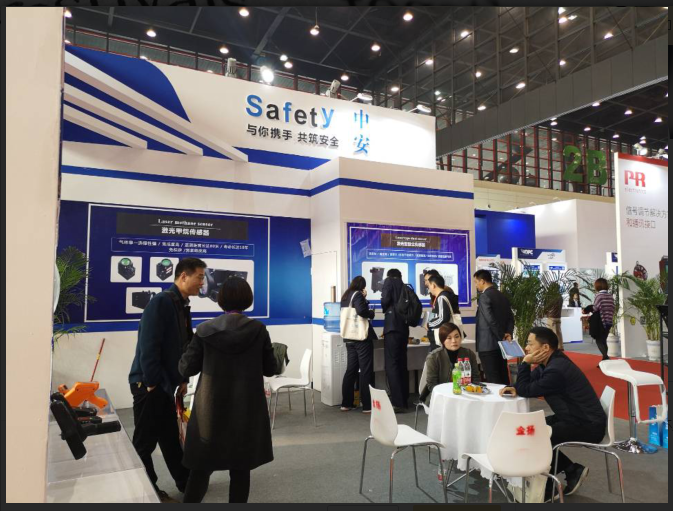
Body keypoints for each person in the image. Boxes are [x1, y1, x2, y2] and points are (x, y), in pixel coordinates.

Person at [179, 276, 276, 503]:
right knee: (241, 469)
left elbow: (186, 367)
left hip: (210, 410)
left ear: (220, 299)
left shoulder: (204, 330)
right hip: (246, 410)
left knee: (200, 468)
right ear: (247, 299)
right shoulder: (258, 330)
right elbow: (270, 369)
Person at [128, 257, 206, 503]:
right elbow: (148, 346)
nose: (202, 282)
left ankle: (186, 483)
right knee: (144, 443)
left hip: (165, 385)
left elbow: (182, 346)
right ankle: (148, 489)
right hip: (149, 384)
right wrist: (152, 383)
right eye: (199, 277)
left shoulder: (181, 304)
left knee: (170, 438)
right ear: (183, 276)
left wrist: (181, 379)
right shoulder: (161, 302)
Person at [500, 327, 606, 501]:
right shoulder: (550, 362)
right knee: (530, 430)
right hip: (574, 417)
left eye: (530, 344)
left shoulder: (556, 370)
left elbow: (526, 390)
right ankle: (572, 470)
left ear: (545, 348)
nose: (526, 348)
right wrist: (514, 387)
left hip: (588, 425)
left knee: (536, 435)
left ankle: (549, 488)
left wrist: (525, 363)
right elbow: (524, 385)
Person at [339, 276, 376, 413]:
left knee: (351, 370)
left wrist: (364, 298)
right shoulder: (358, 295)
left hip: (349, 337)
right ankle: (367, 405)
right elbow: (361, 311)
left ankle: (346, 403)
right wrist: (371, 313)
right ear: (362, 286)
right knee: (366, 371)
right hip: (361, 339)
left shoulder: (345, 296)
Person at [420, 323, 480, 405]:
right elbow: (432, 385)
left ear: (461, 337)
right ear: (443, 340)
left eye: (457, 336)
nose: (454, 341)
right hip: (441, 397)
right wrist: (450, 395)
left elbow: (476, 378)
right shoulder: (434, 357)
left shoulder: (469, 354)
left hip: (466, 396)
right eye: (449, 338)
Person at [473, 269, 514, 384]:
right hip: (502, 345)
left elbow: (490, 320)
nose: (476, 285)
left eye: (476, 282)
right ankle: (507, 395)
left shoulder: (484, 296)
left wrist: (501, 335)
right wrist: (508, 333)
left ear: (482, 281)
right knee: (503, 376)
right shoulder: (502, 296)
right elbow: (511, 318)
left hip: (488, 345)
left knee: (493, 379)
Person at [381, 268, 410, 412]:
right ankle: (404, 399)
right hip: (403, 328)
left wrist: (384, 306)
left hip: (392, 327)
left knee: (391, 364)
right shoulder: (405, 286)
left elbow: (385, 300)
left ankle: (397, 403)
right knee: (402, 363)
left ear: (389, 276)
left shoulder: (388, 282)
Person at [583, 278, 614, 362]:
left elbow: (595, 308)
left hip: (601, 322)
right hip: (608, 321)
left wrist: (588, 309)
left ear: (597, 286)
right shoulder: (610, 296)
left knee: (599, 341)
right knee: (603, 341)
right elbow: (612, 308)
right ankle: (605, 360)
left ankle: (606, 357)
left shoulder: (599, 296)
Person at [426, 274, 454, 350]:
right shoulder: (441, 296)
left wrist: (429, 324)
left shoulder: (442, 297)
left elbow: (443, 318)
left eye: (429, 285)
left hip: (441, 336)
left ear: (433, 285)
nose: (429, 289)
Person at [544, 282, 564, 350]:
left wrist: (544, 312)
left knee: (552, 333)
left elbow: (547, 306)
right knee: (559, 332)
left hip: (551, 317)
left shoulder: (550, 296)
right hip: (558, 317)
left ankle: (554, 347)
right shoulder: (560, 297)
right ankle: (561, 346)